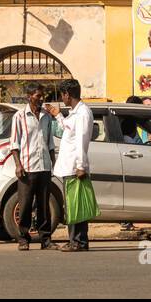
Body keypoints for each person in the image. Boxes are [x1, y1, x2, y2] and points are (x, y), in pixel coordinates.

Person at [47, 80, 94, 253]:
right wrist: (58, 115)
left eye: (62, 95)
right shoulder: (75, 113)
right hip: (69, 167)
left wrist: (81, 166)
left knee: (76, 206)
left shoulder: (82, 113)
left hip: (75, 167)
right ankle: (76, 240)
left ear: (67, 94)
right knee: (74, 206)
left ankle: (78, 241)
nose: (62, 98)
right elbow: (68, 129)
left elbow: (81, 141)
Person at [7, 84, 55, 250]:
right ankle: (23, 238)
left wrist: (52, 164)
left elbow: (50, 143)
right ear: (29, 96)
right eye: (37, 96)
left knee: (44, 205)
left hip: (44, 167)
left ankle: (46, 239)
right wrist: (18, 165)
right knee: (25, 204)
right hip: (27, 167)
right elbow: (14, 143)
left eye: (42, 96)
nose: (41, 99)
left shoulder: (46, 117)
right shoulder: (19, 117)